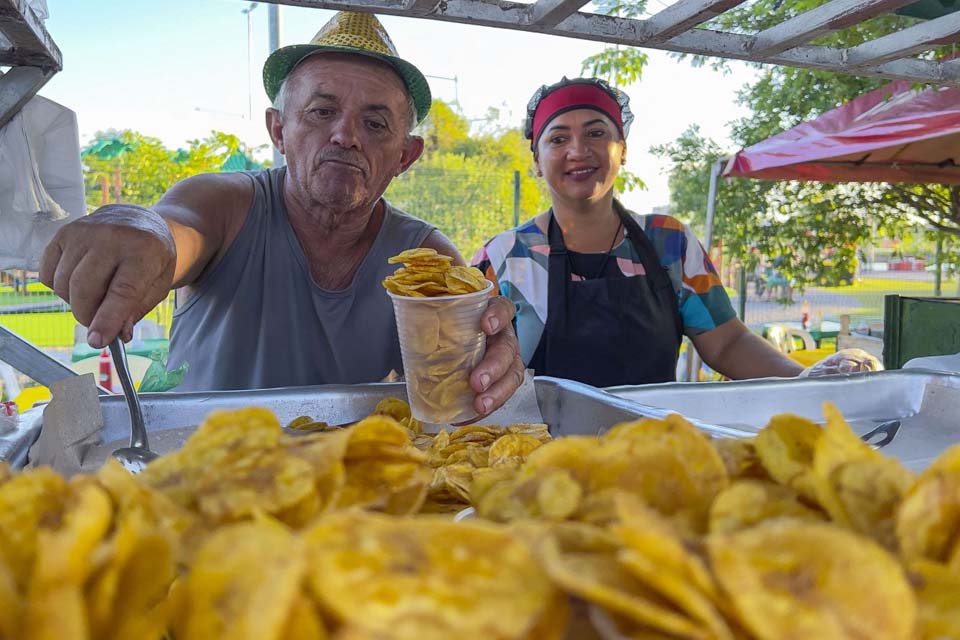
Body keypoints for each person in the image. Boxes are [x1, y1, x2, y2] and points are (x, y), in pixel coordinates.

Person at [39, 11, 523, 419]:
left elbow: (463, 374)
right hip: (196, 482)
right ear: (278, 130)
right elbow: (175, 229)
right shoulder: (223, 205)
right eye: (320, 112)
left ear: (405, 156)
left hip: (343, 503)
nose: (345, 136)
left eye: (375, 123)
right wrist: (144, 229)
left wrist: (489, 357)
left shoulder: (428, 259)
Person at [473, 77, 875, 387]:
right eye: (558, 138)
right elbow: (467, 363)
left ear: (622, 149)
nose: (578, 150)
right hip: (537, 463)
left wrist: (804, 382)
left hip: (655, 458)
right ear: (538, 162)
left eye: (597, 133)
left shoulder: (669, 243)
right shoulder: (505, 257)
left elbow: (727, 343)